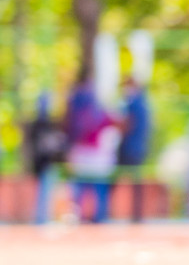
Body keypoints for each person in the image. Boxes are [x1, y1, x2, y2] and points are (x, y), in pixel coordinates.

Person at [65, 77, 119, 223]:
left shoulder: (78, 108)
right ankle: (97, 215)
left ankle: (82, 214)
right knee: (92, 187)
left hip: (87, 155)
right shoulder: (97, 111)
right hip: (94, 156)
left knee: (83, 187)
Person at [23, 92, 67, 224]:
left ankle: (43, 217)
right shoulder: (37, 124)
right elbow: (30, 145)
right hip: (41, 163)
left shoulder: (49, 123)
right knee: (43, 191)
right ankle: (41, 219)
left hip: (48, 163)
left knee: (47, 191)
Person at [116, 76, 152, 223]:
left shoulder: (132, 103)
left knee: (115, 179)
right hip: (138, 147)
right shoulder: (144, 103)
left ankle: (103, 212)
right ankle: (136, 216)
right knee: (136, 182)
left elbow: (126, 124)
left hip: (130, 147)